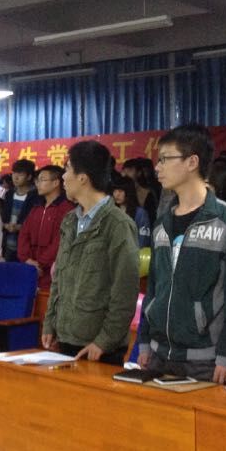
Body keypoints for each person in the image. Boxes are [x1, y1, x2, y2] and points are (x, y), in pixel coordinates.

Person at [138, 125, 226, 384]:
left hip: (206, 359)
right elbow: (154, 288)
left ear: (192, 162)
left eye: (165, 159)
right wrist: (144, 341)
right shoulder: (162, 223)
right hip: (158, 355)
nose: (158, 167)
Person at [42, 141, 139, 364]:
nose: (63, 177)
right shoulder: (70, 220)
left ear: (83, 178)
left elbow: (125, 290)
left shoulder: (117, 224)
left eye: (67, 169)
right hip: (65, 339)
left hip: (98, 347)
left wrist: (105, 341)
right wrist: (50, 323)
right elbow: (59, 278)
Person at [18, 165, 74, 290]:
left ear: (56, 183)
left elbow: (61, 240)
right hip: (30, 268)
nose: (38, 184)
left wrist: (40, 264)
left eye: (42, 180)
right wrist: (26, 259)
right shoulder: (36, 207)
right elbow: (24, 234)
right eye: (37, 180)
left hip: (51, 271)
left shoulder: (66, 209)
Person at [0, 159, 38, 261]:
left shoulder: (36, 195)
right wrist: (5, 225)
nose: (15, 177)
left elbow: (36, 222)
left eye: (20, 174)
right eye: (13, 173)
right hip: (7, 245)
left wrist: (20, 227)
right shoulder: (9, 194)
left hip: (27, 248)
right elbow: (3, 217)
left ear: (29, 177)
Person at [109, 173, 151, 248]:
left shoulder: (140, 213)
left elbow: (143, 240)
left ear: (129, 192)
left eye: (120, 191)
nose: (117, 195)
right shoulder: (111, 212)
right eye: (115, 191)